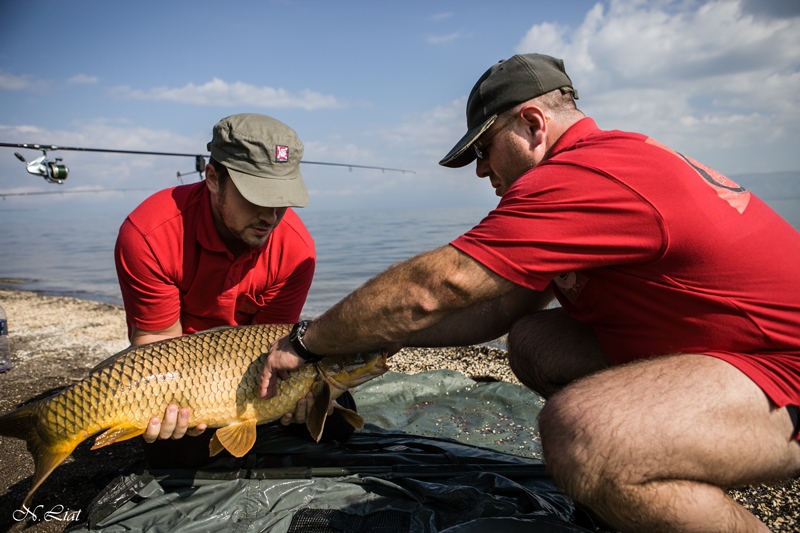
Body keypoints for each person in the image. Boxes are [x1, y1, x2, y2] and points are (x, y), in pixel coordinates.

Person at [260, 55, 800, 531]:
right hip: (731, 357)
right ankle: (649, 483)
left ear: (534, 124)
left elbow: (436, 285)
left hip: (784, 374)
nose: (480, 171)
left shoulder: (587, 173)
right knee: (534, 338)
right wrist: (385, 335)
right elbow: (495, 307)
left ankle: (636, 466)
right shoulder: (597, 169)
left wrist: (307, 342)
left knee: (585, 434)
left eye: (484, 148)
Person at [115, 113, 354, 465]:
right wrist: (176, 402)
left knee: (336, 422)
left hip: (251, 368)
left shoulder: (296, 250)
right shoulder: (149, 234)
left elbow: (272, 347)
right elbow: (155, 344)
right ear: (213, 178)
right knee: (175, 452)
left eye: (281, 199)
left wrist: (295, 397)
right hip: (183, 371)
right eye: (256, 196)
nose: (270, 217)